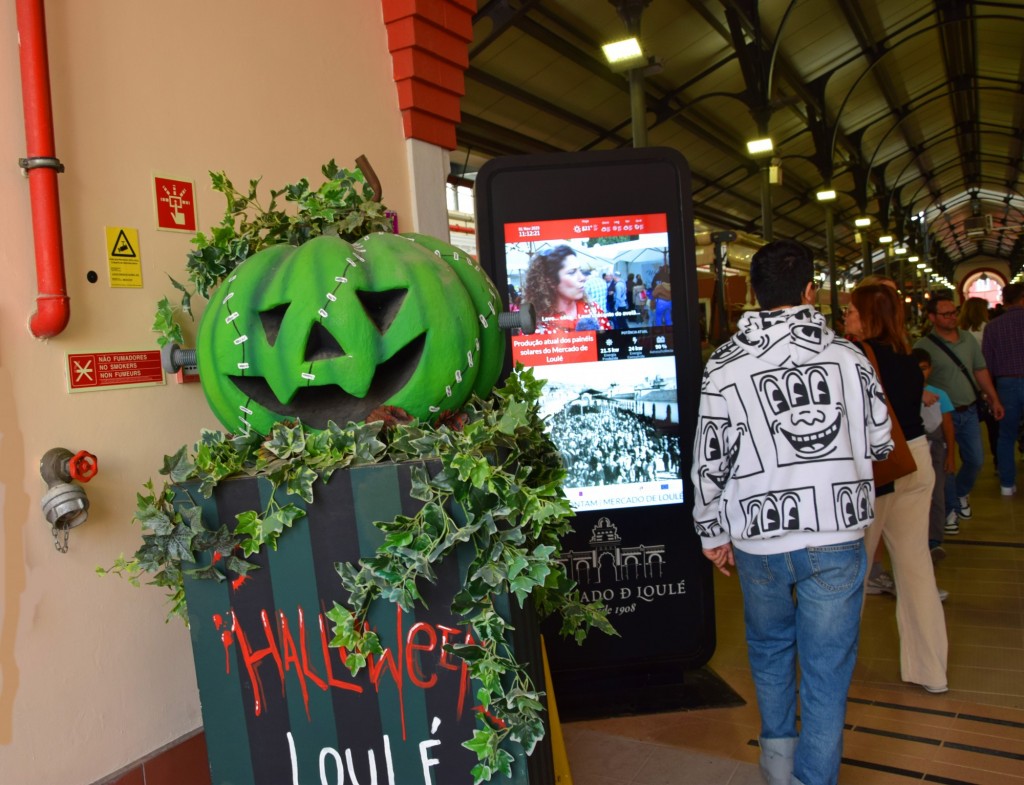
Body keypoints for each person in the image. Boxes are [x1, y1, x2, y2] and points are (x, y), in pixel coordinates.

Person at [692, 240, 893, 785]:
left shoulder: (726, 364)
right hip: (837, 533)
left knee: (770, 647)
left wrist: (712, 530)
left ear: (753, 295)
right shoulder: (851, 358)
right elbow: (879, 443)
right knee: (827, 671)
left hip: (758, 539)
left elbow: (710, 456)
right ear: (810, 291)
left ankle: (778, 767)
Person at [845, 286, 949, 695]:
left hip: (880, 468)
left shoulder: (857, 357)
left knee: (852, 571)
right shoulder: (909, 358)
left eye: (852, 311)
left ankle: (834, 673)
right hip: (917, 459)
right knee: (916, 567)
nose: (846, 318)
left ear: (868, 315)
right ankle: (931, 672)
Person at [914, 295, 1004, 531]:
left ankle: (961, 494)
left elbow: (980, 370)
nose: (952, 317)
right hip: (941, 415)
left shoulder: (967, 339)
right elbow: (915, 379)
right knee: (947, 464)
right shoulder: (923, 346)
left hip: (969, 410)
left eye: (954, 312)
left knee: (975, 459)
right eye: (946, 314)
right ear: (932, 317)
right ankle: (951, 508)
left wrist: (993, 398)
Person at [911, 347, 957, 562]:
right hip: (914, 449)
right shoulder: (906, 393)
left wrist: (950, 456)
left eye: (924, 368)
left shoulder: (940, 395)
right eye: (916, 369)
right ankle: (916, 539)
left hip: (936, 450)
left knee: (936, 494)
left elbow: (948, 426)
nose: (921, 373)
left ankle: (934, 540)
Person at [981, 282, 1024, 495]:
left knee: (1006, 435)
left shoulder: (993, 326)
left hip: (1005, 384)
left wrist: (991, 395)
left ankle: (1007, 484)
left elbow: (986, 364)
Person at [521, 245, 610, 334]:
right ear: (550, 280)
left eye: (580, 270)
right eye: (572, 272)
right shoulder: (535, 326)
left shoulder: (593, 310)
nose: (582, 277)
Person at [959, 296, 998, 464]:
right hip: (987, 377)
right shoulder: (988, 329)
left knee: (966, 423)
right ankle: (997, 458)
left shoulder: (959, 333)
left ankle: (968, 457)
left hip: (965, 382)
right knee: (993, 423)